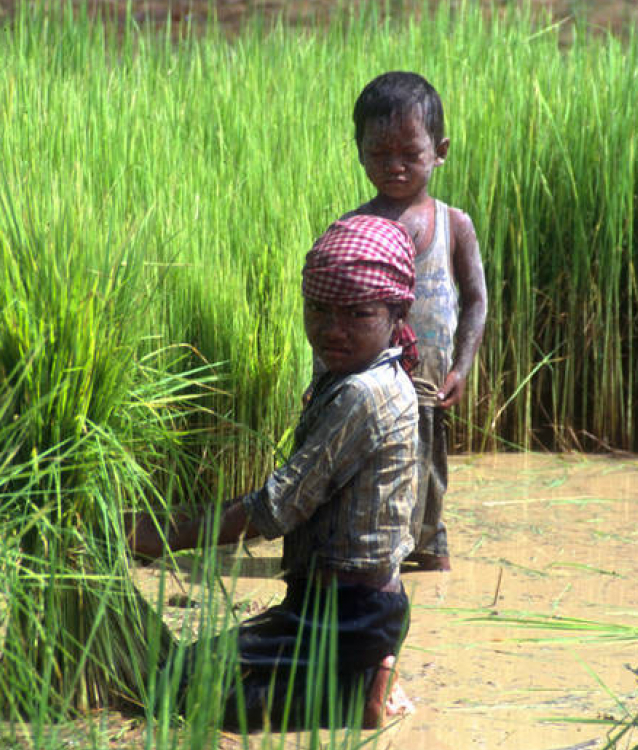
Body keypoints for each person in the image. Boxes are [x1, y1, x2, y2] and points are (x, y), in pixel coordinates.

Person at [129, 215, 420, 731]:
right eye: (319, 309)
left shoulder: (363, 393)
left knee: (177, 688)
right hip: (324, 603)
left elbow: (277, 507)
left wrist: (162, 535)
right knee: (190, 675)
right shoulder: (349, 367)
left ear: (397, 312)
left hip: (350, 613)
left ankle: (358, 691)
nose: (332, 329)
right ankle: (363, 675)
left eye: (357, 313)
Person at [343, 71, 487, 572]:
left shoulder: (453, 224)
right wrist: (324, 377)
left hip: (427, 385)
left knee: (429, 475)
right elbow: (334, 310)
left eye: (410, 154)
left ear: (440, 150)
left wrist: (462, 367)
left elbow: (476, 301)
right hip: (370, 389)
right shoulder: (355, 229)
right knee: (373, 480)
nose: (395, 166)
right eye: (380, 155)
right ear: (359, 151)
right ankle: (378, 565)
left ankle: (430, 558)